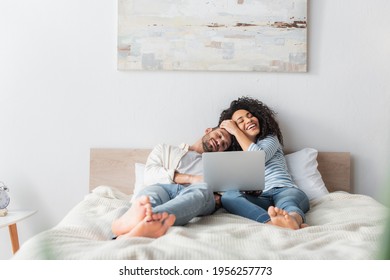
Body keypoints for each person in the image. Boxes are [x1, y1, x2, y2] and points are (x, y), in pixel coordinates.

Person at [111, 127, 232, 238]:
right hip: (162, 188)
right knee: (148, 197)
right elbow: (149, 175)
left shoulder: (217, 168)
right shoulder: (165, 149)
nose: (219, 142)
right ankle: (140, 222)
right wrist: (191, 178)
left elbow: (230, 191)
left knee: (204, 190)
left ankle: (140, 222)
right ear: (208, 130)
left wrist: (219, 197)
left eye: (224, 145)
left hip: (194, 193)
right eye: (219, 135)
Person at [219, 96, 310, 230]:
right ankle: (272, 223)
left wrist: (236, 130)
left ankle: (292, 219)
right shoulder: (236, 155)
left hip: (283, 189)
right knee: (228, 197)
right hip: (260, 198)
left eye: (250, 116)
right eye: (240, 121)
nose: (249, 120)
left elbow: (258, 157)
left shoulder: (270, 139)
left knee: (288, 203)